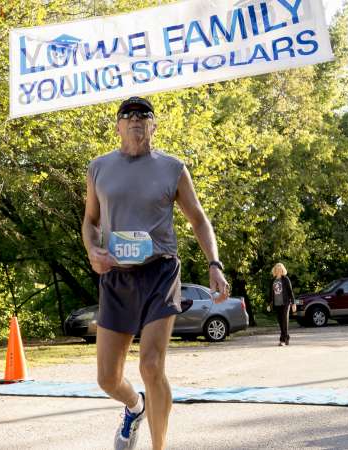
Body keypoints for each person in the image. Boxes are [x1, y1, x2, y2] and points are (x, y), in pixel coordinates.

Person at [82, 96, 229, 450]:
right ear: (117, 126)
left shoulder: (173, 167)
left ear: (154, 125)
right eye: (127, 115)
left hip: (160, 272)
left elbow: (198, 219)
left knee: (151, 365)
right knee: (106, 379)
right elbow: (90, 222)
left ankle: (158, 446)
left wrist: (214, 263)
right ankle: (135, 407)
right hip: (117, 277)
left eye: (143, 114)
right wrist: (92, 250)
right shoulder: (98, 168)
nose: (135, 119)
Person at [269, 263, 295, 346]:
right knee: (280, 322)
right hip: (277, 304)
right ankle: (286, 336)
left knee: (284, 320)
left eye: (280, 269)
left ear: (282, 270)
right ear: (275, 270)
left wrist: (293, 303)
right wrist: (269, 303)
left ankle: (282, 340)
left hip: (285, 303)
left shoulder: (286, 279)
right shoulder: (273, 280)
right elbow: (271, 293)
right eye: (277, 269)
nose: (278, 270)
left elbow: (290, 291)